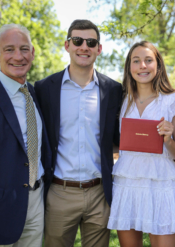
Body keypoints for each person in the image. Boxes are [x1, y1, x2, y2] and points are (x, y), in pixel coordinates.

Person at [34, 19, 122, 247]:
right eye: (78, 41)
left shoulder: (113, 90)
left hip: (99, 192)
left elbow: (119, 137)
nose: (84, 46)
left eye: (91, 42)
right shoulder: (44, 88)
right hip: (60, 192)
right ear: (67, 45)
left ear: (99, 49)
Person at [0, 24, 51, 246]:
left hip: (36, 201)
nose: (18, 56)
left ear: (32, 52)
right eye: (9, 49)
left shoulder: (34, 93)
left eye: (24, 49)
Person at [107, 41, 175, 247]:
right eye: (136, 61)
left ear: (158, 65)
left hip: (160, 185)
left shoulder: (173, 100)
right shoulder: (121, 100)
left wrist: (167, 139)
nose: (142, 65)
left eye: (148, 60)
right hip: (128, 183)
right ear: (129, 67)